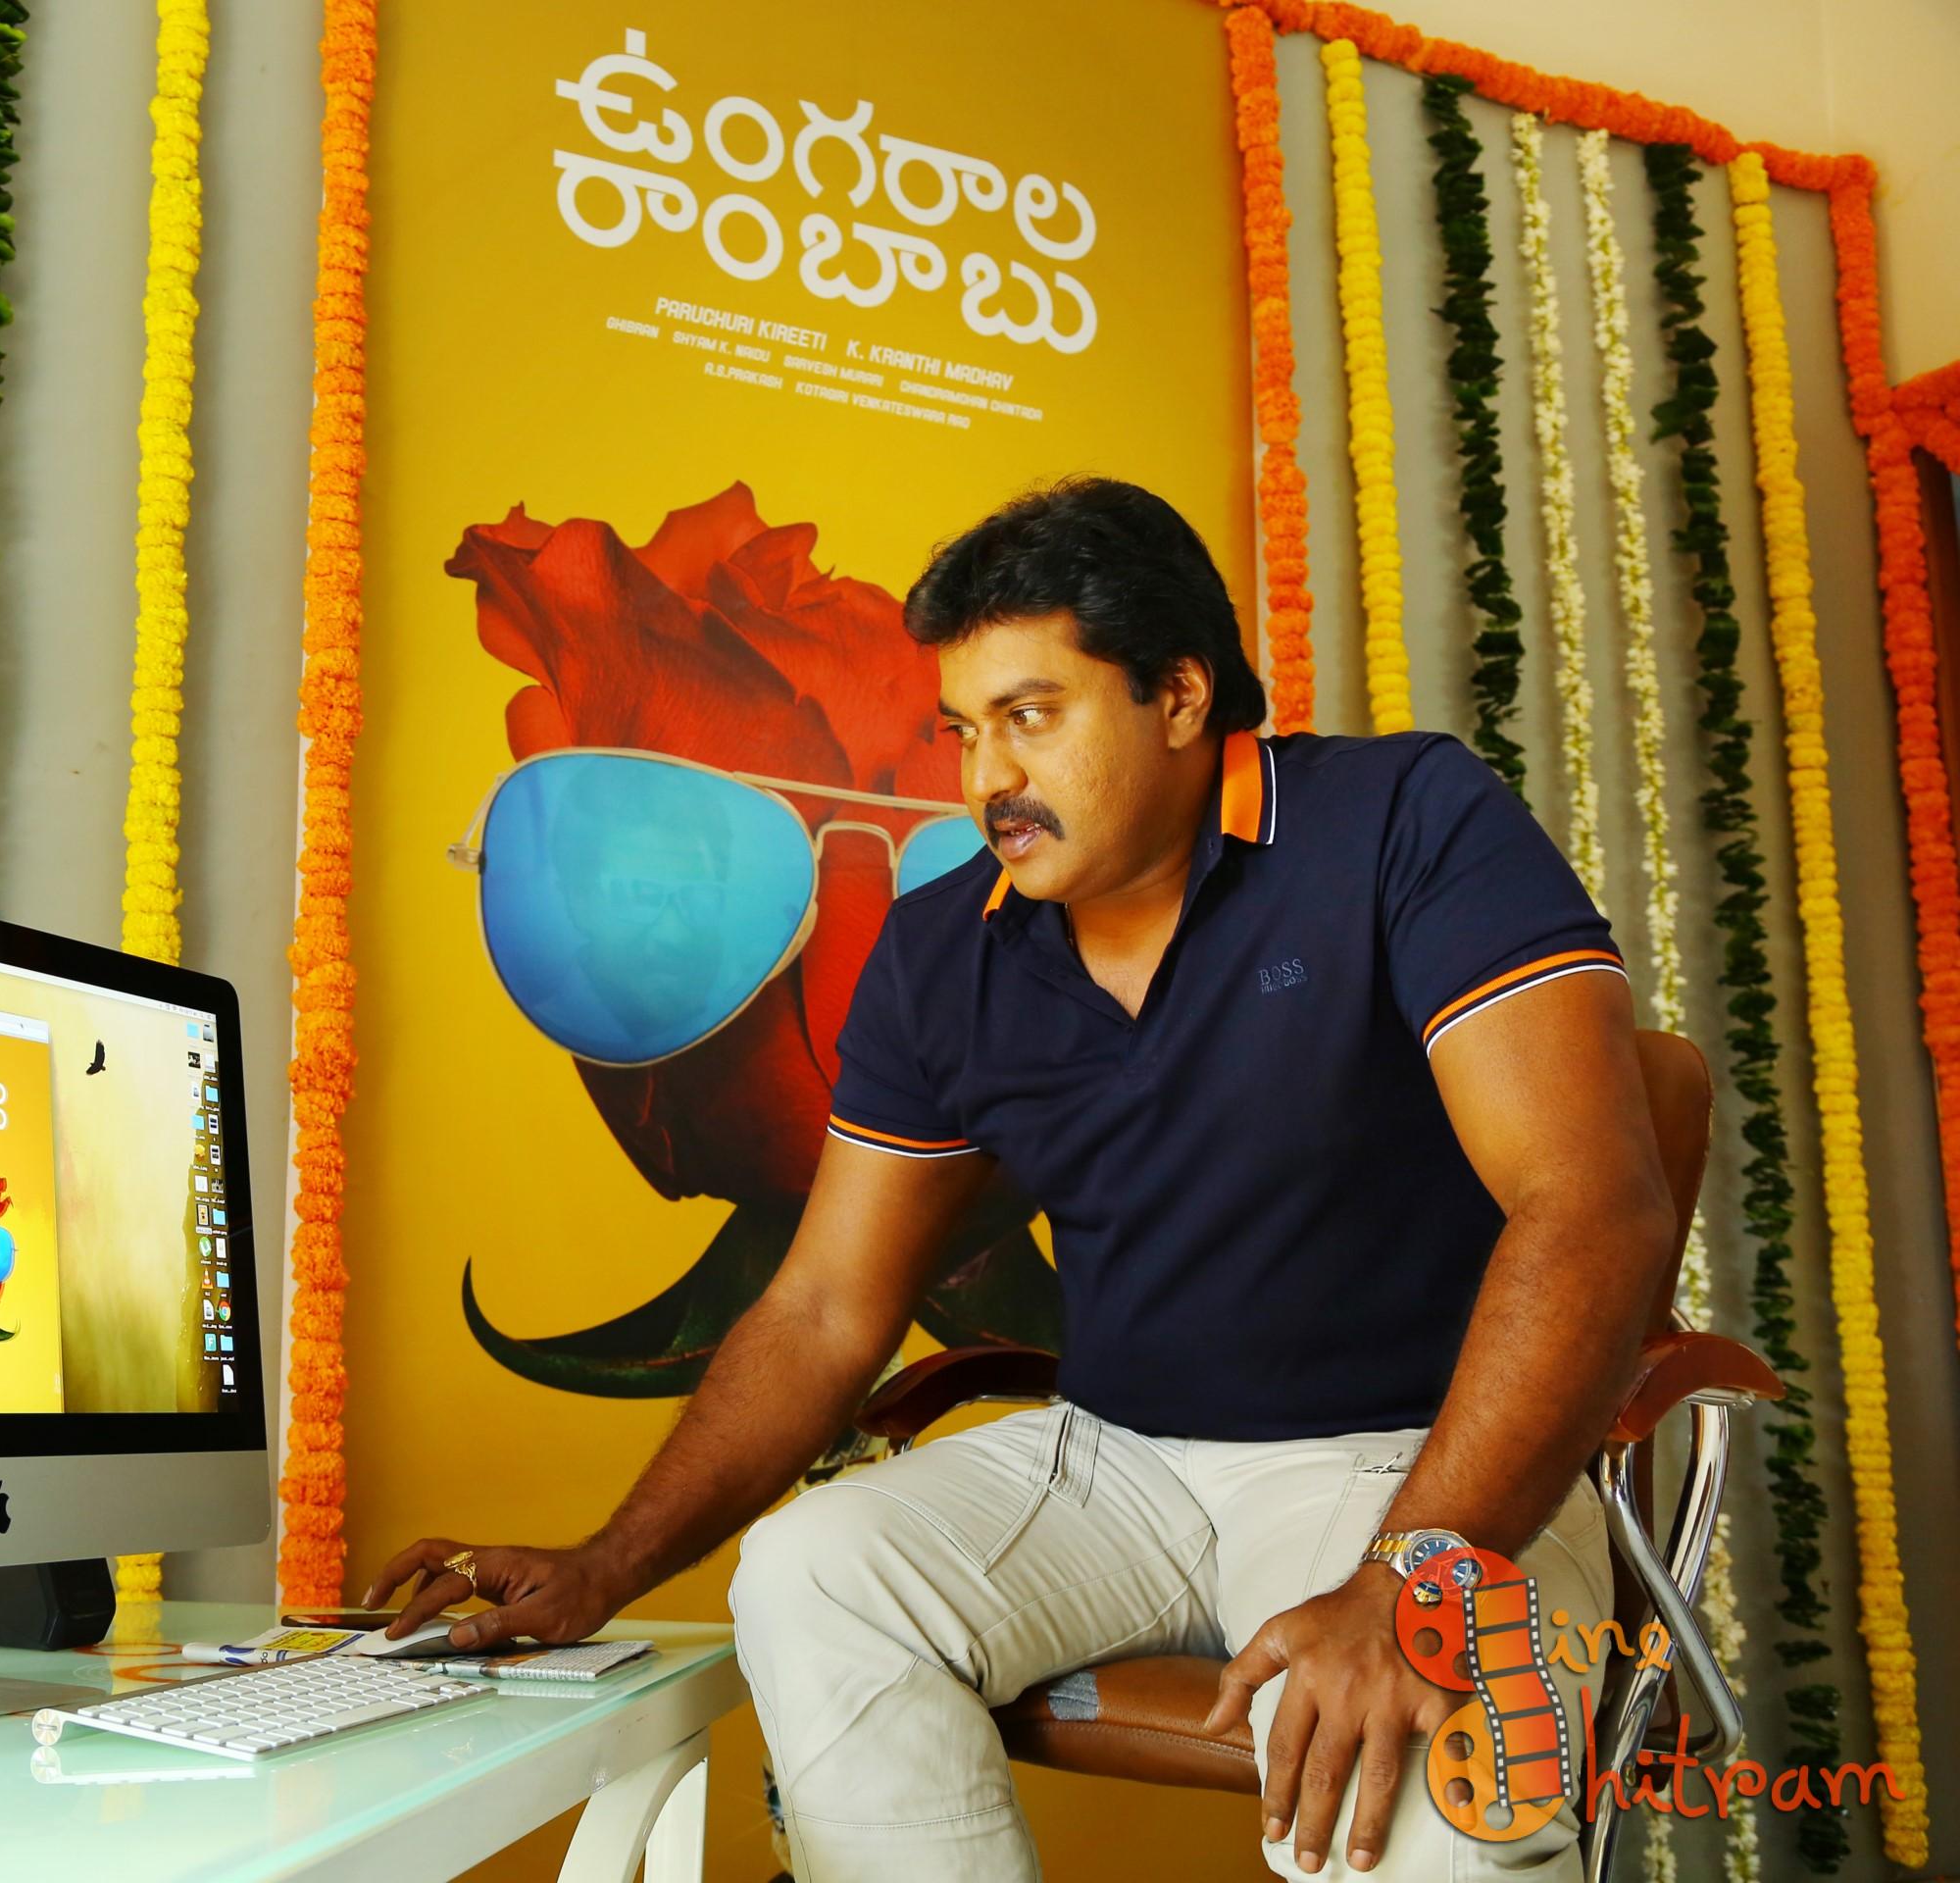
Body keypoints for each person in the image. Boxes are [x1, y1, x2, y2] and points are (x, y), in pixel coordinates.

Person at [365, 477, 1671, 1881]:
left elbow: (1590, 1206)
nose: (985, 778)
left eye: (1030, 717)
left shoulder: (1402, 817)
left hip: (1402, 1463)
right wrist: (605, 1562)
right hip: (1114, 1459)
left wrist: (1414, 1576)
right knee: (815, 1572)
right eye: (963, 730)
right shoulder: (943, 947)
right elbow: (823, 1308)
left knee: (1418, 1785)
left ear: (1179, 697)